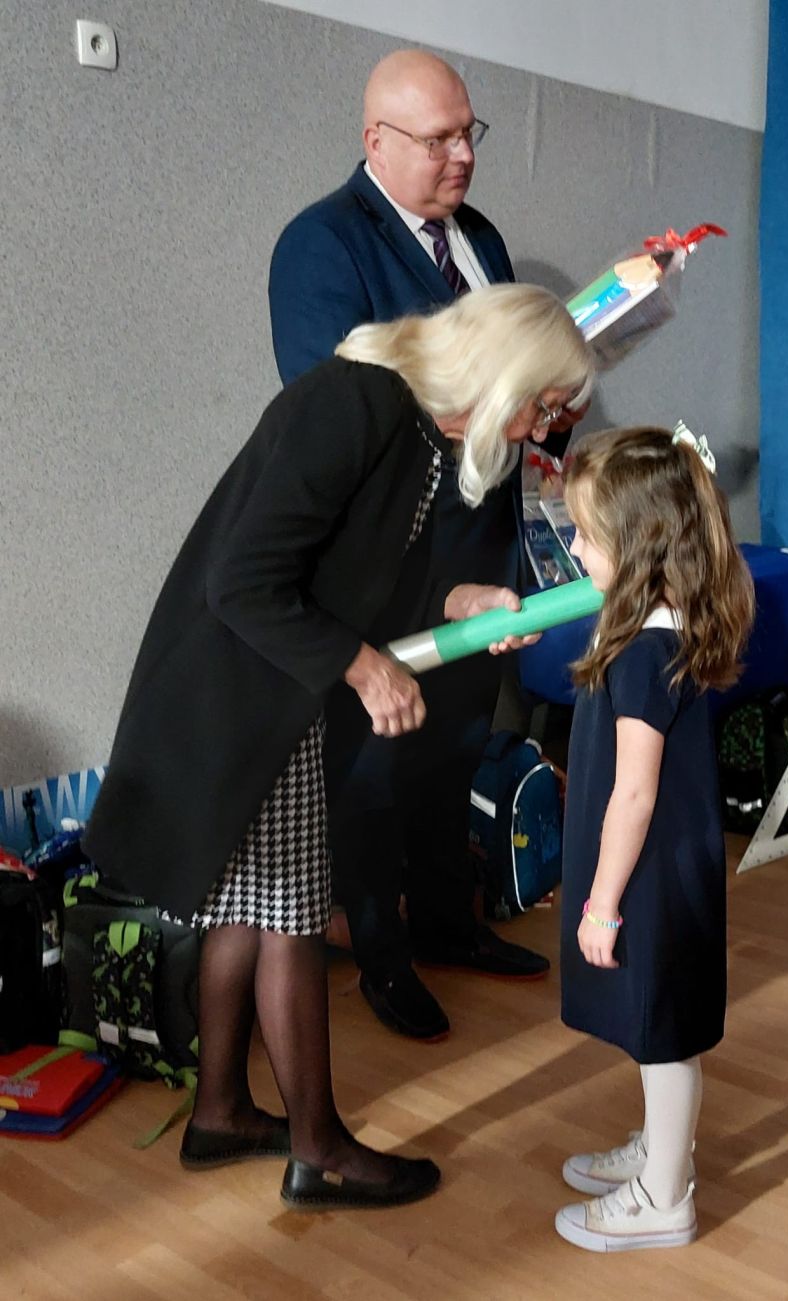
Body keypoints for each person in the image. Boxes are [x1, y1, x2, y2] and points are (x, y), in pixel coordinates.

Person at [83, 284, 592, 1211]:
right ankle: (318, 1148)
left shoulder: (415, 432)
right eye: (542, 403)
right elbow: (243, 580)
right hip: (241, 696)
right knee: (289, 913)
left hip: (273, 694)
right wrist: (363, 668)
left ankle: (221, 1113)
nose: (538, 428)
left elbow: (363, 584)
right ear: (503, 374)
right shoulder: (353, 403)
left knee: (247, 910)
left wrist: (464, 603)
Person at [269, 48, 589, 1042]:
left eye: (468, 133)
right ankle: (383, 957)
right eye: (439, 138)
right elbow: (332, 406)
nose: (463, 155)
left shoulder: (479, 238)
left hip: (480, 545)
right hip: (390, 555)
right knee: (376, 764)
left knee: (453, 745)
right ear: (376, 139)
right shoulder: (321, 244)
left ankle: (450, 921)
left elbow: (507, 380)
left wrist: (550, 414)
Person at [552, 425, 754, 1251]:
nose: (573, 547)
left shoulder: (644, 651)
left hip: (648, 876)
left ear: (636, 546)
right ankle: (661, 1150)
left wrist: (601, 903)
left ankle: (665, 1195)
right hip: (666, 865)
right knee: (655, 1025)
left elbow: (634, 792)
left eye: (585, 534)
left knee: (663, 1032)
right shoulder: (657, 626)